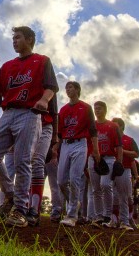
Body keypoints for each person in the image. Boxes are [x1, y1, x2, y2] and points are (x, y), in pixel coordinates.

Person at [0, 26, 59, 228]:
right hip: (8, 113)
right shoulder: (8, 66)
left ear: (30, 39)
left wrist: (43, 100)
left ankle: (20, 209)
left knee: (23, 160)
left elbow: (51, 87)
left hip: (29, 113)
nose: (14, 41)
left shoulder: (42, 61)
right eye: (13, 37)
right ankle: (10, 194)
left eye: (18, 37)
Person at [56, 81, 98, 227]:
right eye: (66, 87)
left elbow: (93, 130)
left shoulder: (86, 107)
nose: (67, 90)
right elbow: (59, 133)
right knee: (61, 181)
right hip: (66, 143)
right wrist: (57, 148)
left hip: (81, 143)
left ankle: (72, 214)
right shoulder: (63, 109)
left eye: (71, 87)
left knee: (74, 179)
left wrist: (96, 150)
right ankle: (75, 203)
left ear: (77, 90)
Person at [88, 101, 123, 228]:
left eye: (100, 108)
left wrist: (119, 162)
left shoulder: (112, 126)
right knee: (95, 188)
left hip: (108, 158)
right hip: (93, 158)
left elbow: (119, 146)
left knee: (106, 185)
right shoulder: (92, 126)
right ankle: (99, 216)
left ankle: (107, 215)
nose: (97, 110)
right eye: (95, 109)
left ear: (105, 110)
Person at [106, 117, 139, 231]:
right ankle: (114, 220)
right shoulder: (109, 139)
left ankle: (125, 221)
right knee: (113, 196)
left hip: (124, 169)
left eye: (116, 126)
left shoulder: (129, 140)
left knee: (125, 196)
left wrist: (122, 151)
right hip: (111, 169)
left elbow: (135, 154)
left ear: (121, 127)